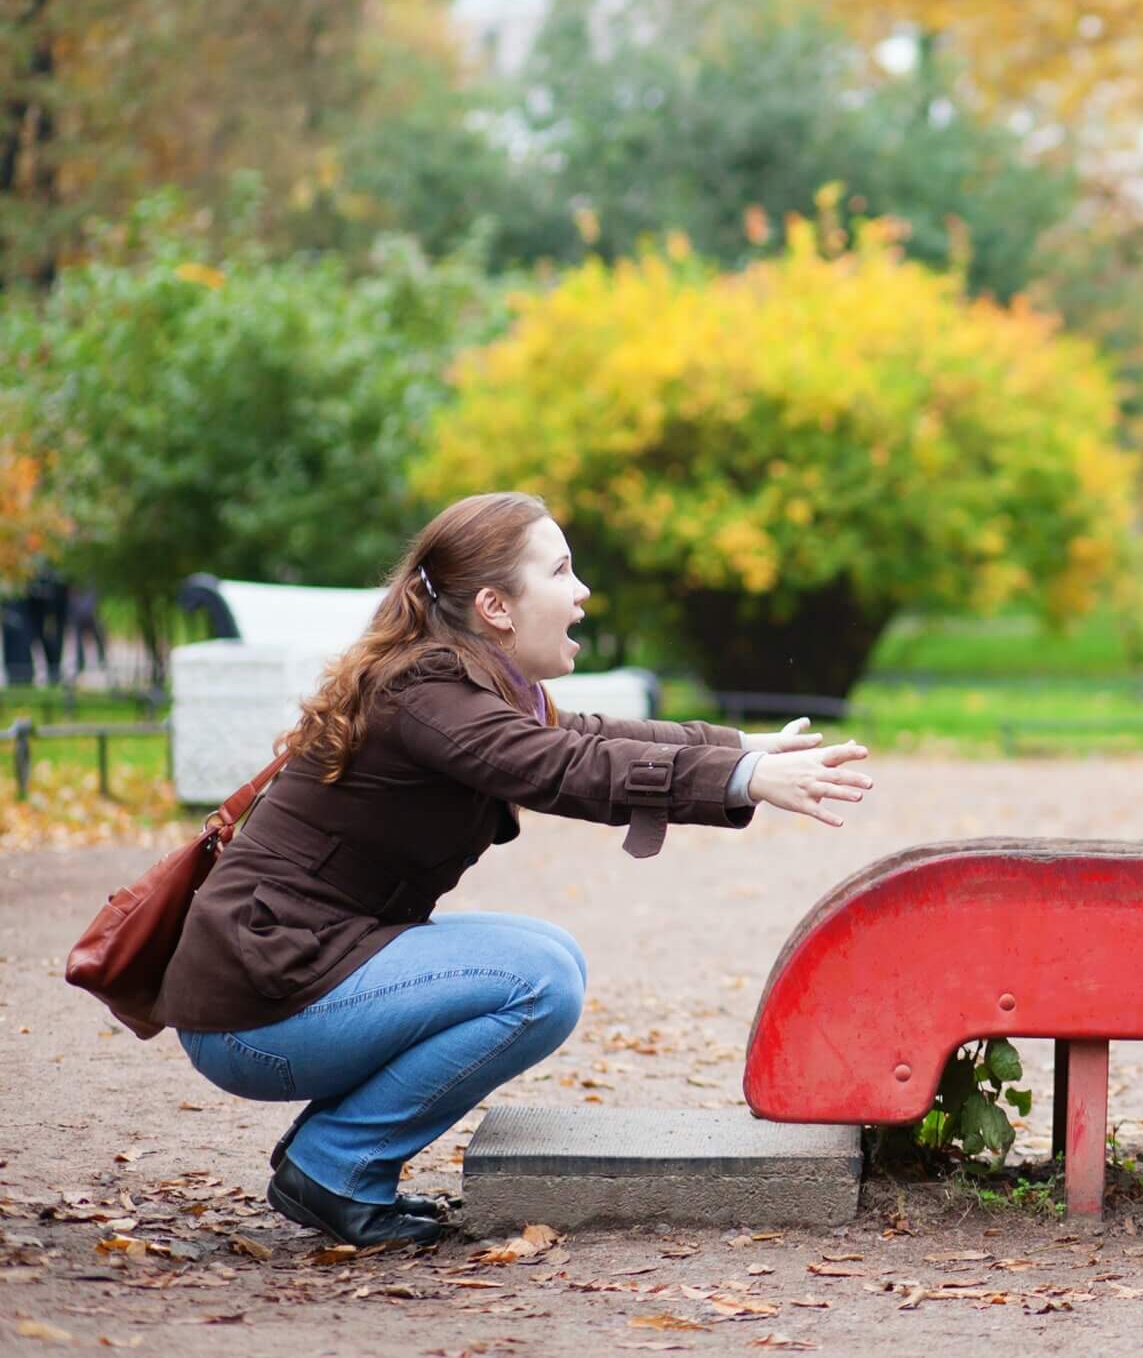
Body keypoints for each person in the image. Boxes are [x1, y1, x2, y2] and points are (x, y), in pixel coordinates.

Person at [157, 492, 873, 1246]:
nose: (582, 591)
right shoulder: (428, 694)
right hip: (257, 1011)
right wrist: (742, 779)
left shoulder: (463, 684)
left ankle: (336, 1161)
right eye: (562, 571)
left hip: (286, 979)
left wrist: (740, 747)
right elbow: (564, 764)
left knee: (549, 958)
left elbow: (590, 733)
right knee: (538, 979)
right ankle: (335, 1167)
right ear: (496, 606)